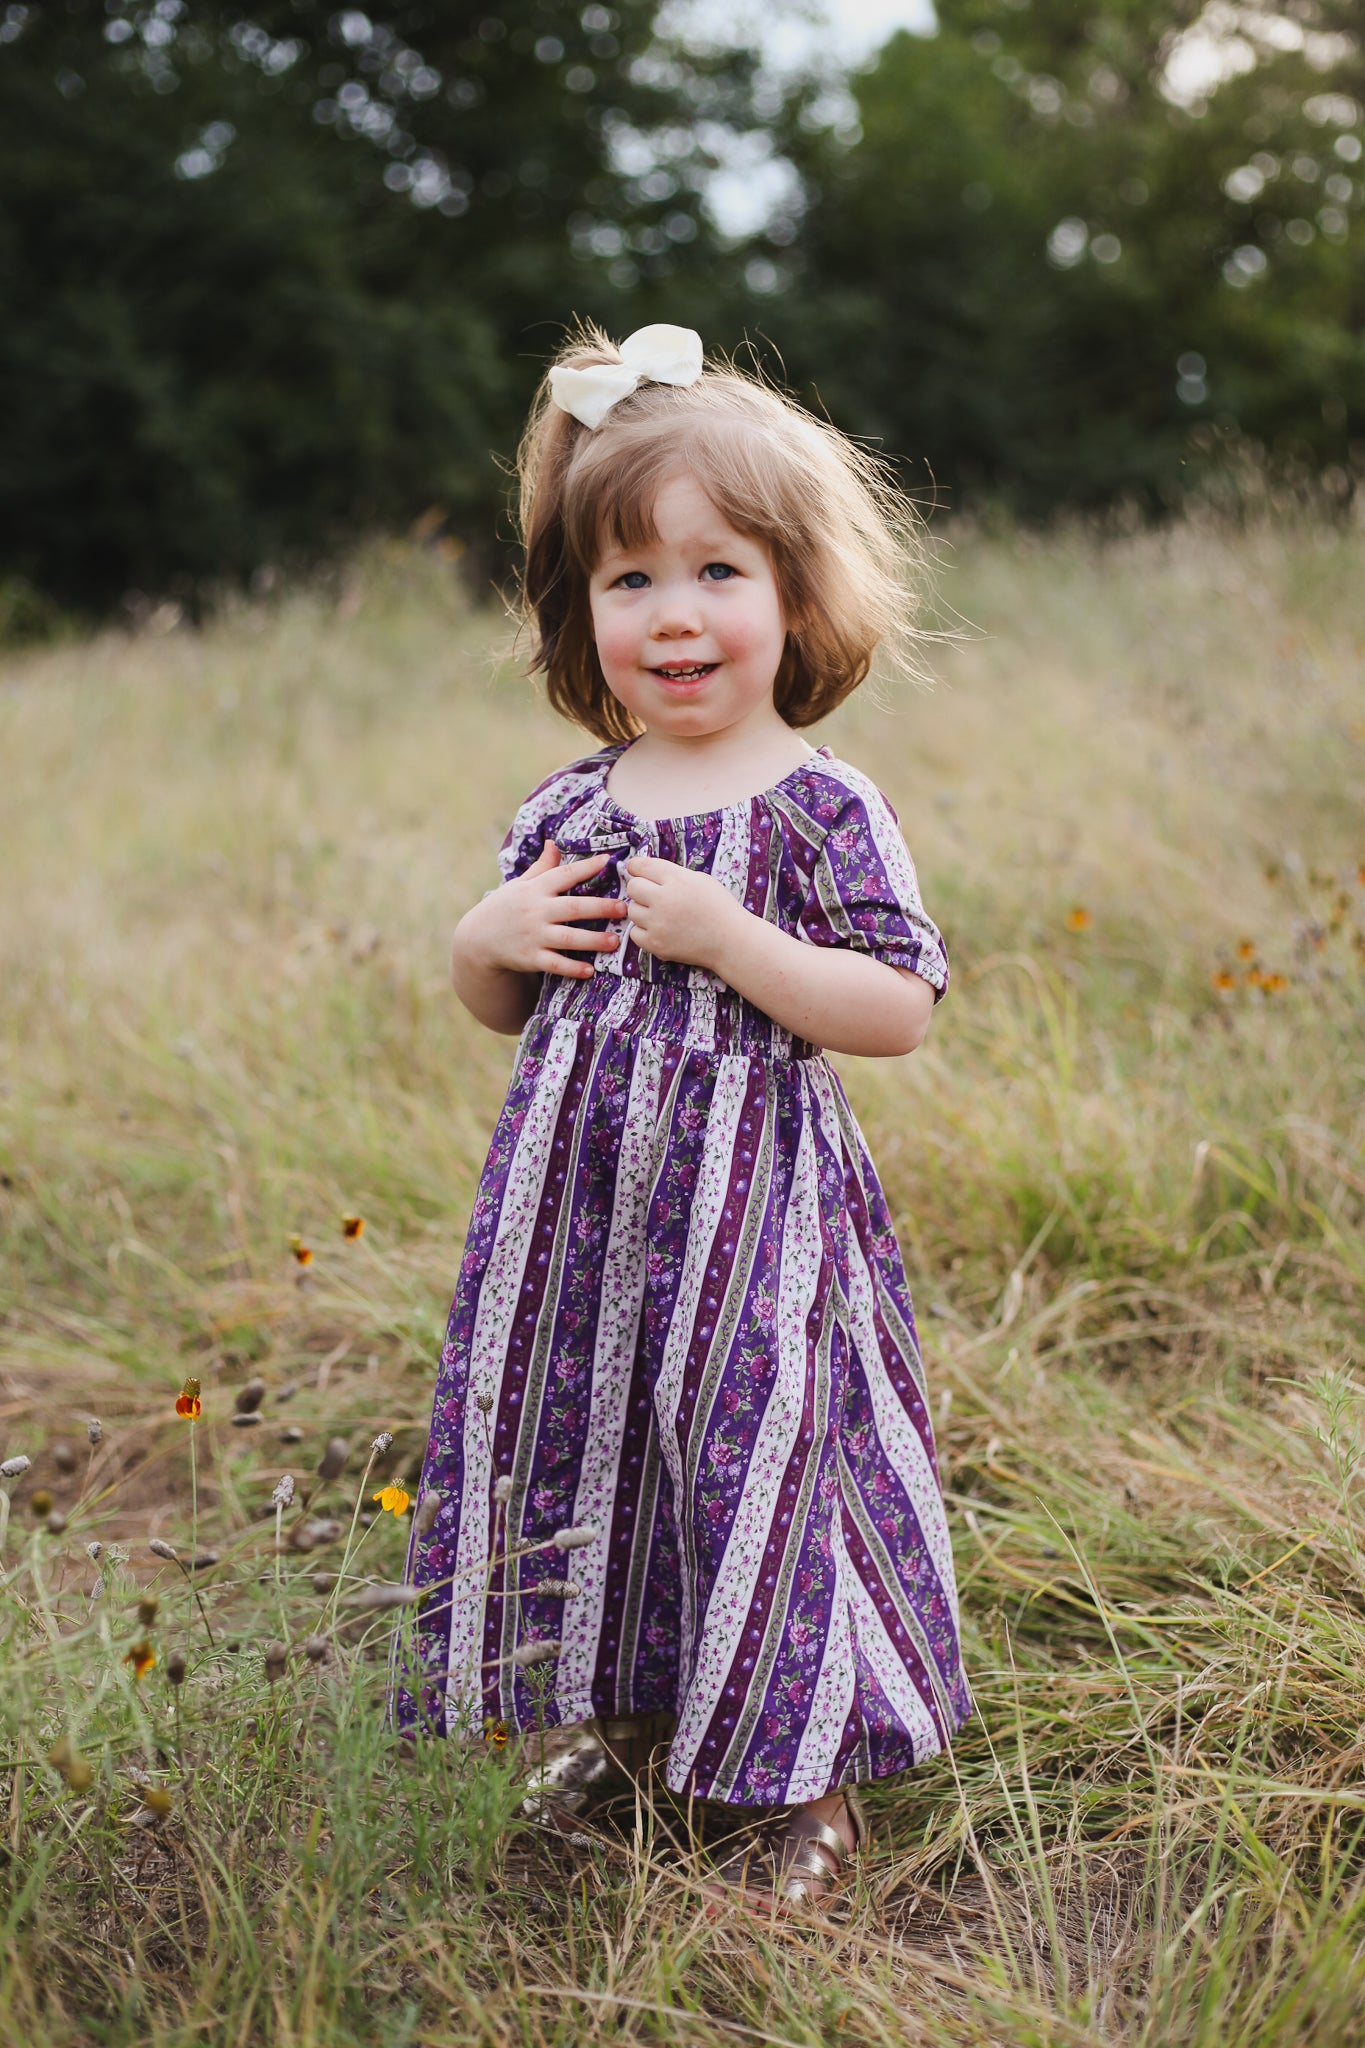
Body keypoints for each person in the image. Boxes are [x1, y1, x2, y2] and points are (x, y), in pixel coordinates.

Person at [394, 322, 974, 1910]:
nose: (674, 615)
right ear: (581, 615)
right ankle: (636, 1725)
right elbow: (514, 1001)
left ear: (795, 597)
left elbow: (897, 1009)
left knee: (759, 1465)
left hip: (756, 1229)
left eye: (716, 571)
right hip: (585, 1221)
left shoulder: (819, 806)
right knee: (605, 1465)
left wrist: (735, 941)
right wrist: (478, 945)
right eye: (627, 580)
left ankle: (802, 1786)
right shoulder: (568, 806)